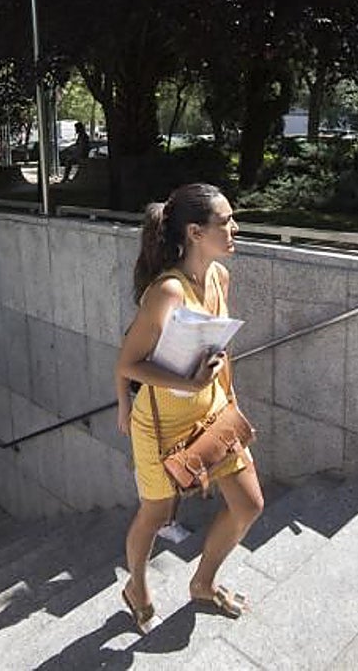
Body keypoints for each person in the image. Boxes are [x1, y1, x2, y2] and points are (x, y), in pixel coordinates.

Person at [114, 183, 264, 633]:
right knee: (156, 515)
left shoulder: (219, 276)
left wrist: (231, 398)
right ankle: (137, 587)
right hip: (161, 426)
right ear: (196, 232)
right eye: (226, 221)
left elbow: (220, 348)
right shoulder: (167, 291)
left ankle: (202, 583)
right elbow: (128, 362)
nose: (235, 228)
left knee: (249, 505)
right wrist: (125, 404)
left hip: (213, 412)